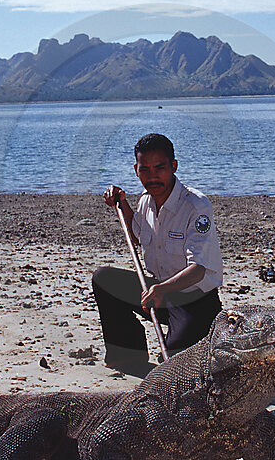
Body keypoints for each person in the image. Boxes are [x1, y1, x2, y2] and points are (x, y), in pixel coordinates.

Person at [92, 133, 222, 376]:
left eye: (160, 168)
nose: (152, 176)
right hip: (158, 292)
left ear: (173, 166)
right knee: (103, 279)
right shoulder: (145, 202)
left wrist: (161, 290)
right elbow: (137, 235)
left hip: (194, 301)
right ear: (136, 169)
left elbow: (199, 269)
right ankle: (128, 354)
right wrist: (122, 204)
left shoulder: (196, 205)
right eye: (145, 169)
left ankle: (202, 337)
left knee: (176, 362)